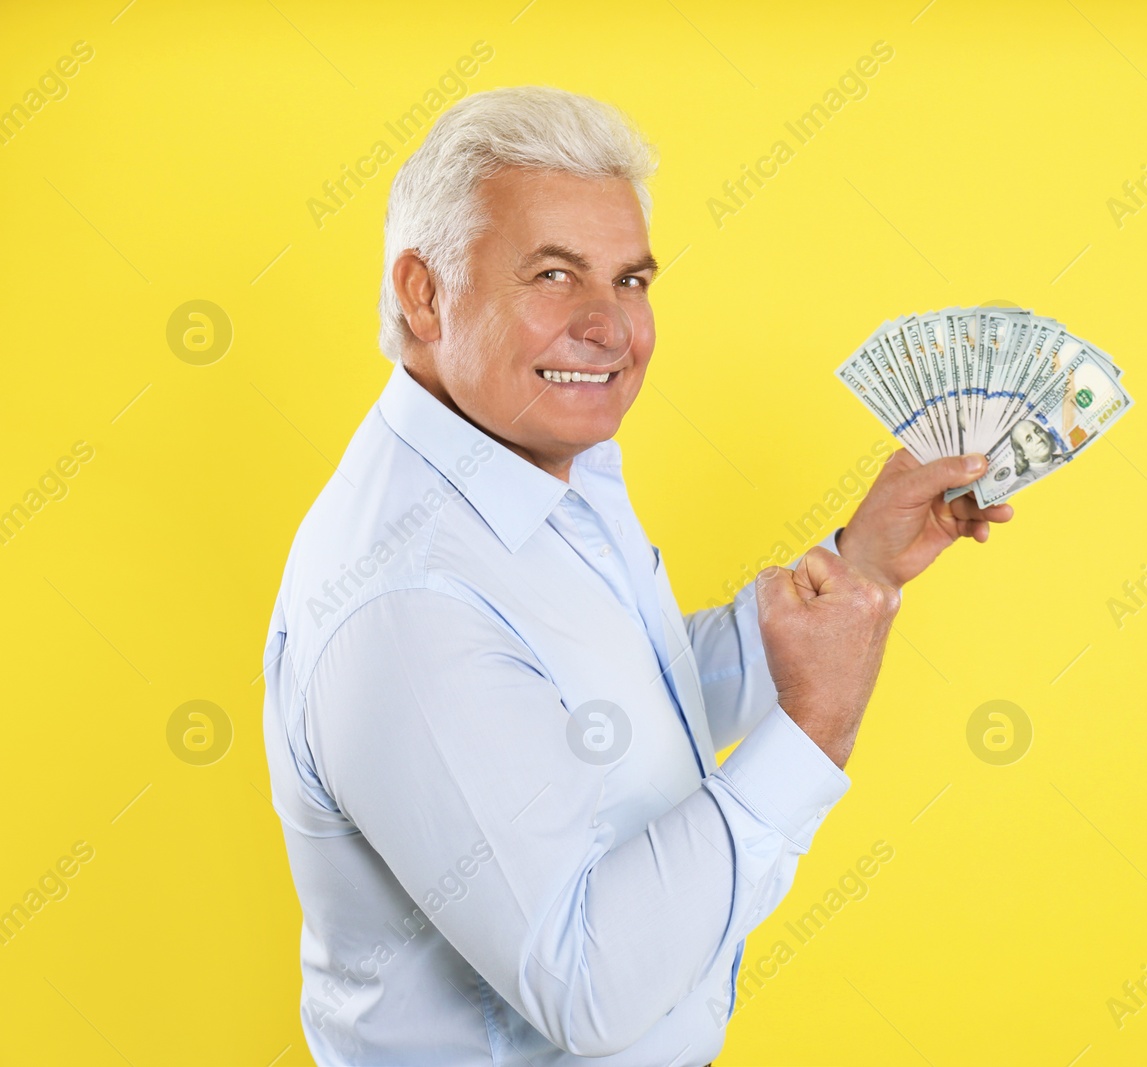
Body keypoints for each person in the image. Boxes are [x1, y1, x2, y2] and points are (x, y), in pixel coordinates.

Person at [261, 85, 1015, 1065]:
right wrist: (813, 732)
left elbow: (595, 710)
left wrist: (853, 563)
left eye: (630, 280)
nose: (610, 328)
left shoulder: (536, 465)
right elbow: (583, 983)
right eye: (553, 275)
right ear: (425, 292)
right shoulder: (405, 602)